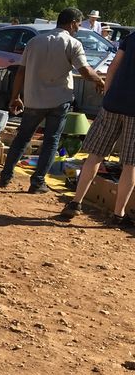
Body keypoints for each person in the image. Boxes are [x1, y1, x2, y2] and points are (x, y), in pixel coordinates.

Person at [0, 8, 106, 193]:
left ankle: (5, 177)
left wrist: (15, 97)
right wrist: (99, 81)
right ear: (71, 23)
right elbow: (85, 71)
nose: (78, 28)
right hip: (59, 101)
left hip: (33, 100)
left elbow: (20, 72)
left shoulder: (34, 41)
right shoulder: (72, 43)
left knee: (22, 138)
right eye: (78, 24)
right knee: (51, 141)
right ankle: (37, 183)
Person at [59, 29, 135, 227]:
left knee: (95, 155)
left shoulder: (131, 38)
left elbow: (113, 68)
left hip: (113, 103)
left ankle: (76, 202)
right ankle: (118, 215)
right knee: (130, 164)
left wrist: (108, 95)